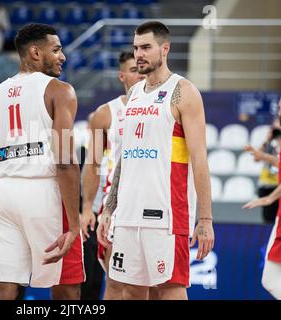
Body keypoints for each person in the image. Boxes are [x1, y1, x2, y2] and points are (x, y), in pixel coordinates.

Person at [97, 21, 214, 300]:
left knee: (170, 290)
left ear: (165, 49)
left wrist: (205, 219)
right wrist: (110, 208)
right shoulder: (134, 93)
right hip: (128, 212)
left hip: (166, 214)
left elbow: (199, 159)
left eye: (146, 47)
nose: (139, 54)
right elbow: (124, 157)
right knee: (130, 291)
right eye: (136, 48)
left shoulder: (183, 91)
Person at [0, 23, 84, 300]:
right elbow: (64, 162)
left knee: (2, 284)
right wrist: (74, 224)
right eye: (57, 49)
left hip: (2, 193)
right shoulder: (59, 90)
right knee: (66, 284)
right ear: (36, 53)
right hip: (42, 191)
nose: (63, 57)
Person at [81, 51, 145, 300]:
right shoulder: (105, 113)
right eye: (132, 70)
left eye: (141, 69)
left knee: (153, 287)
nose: (138, 74)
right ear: (122, 76)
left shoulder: (164, 106)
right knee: (115, 282)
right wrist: (88, 207)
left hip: (153, 202)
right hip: (117, 204)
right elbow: (93, 164)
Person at [243, 90, 281, 300]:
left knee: (270, 280)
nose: (278, 111)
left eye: (280, 107)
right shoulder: (280, 138)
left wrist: (270, 198)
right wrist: (264, 153)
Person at [244, 123, 281, 224]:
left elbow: (279, 161)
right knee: (268, 220)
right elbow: (256, 158)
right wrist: (267, 139)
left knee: (280, 218)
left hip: (280, 185)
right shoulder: (270, 143)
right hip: (266, 184)